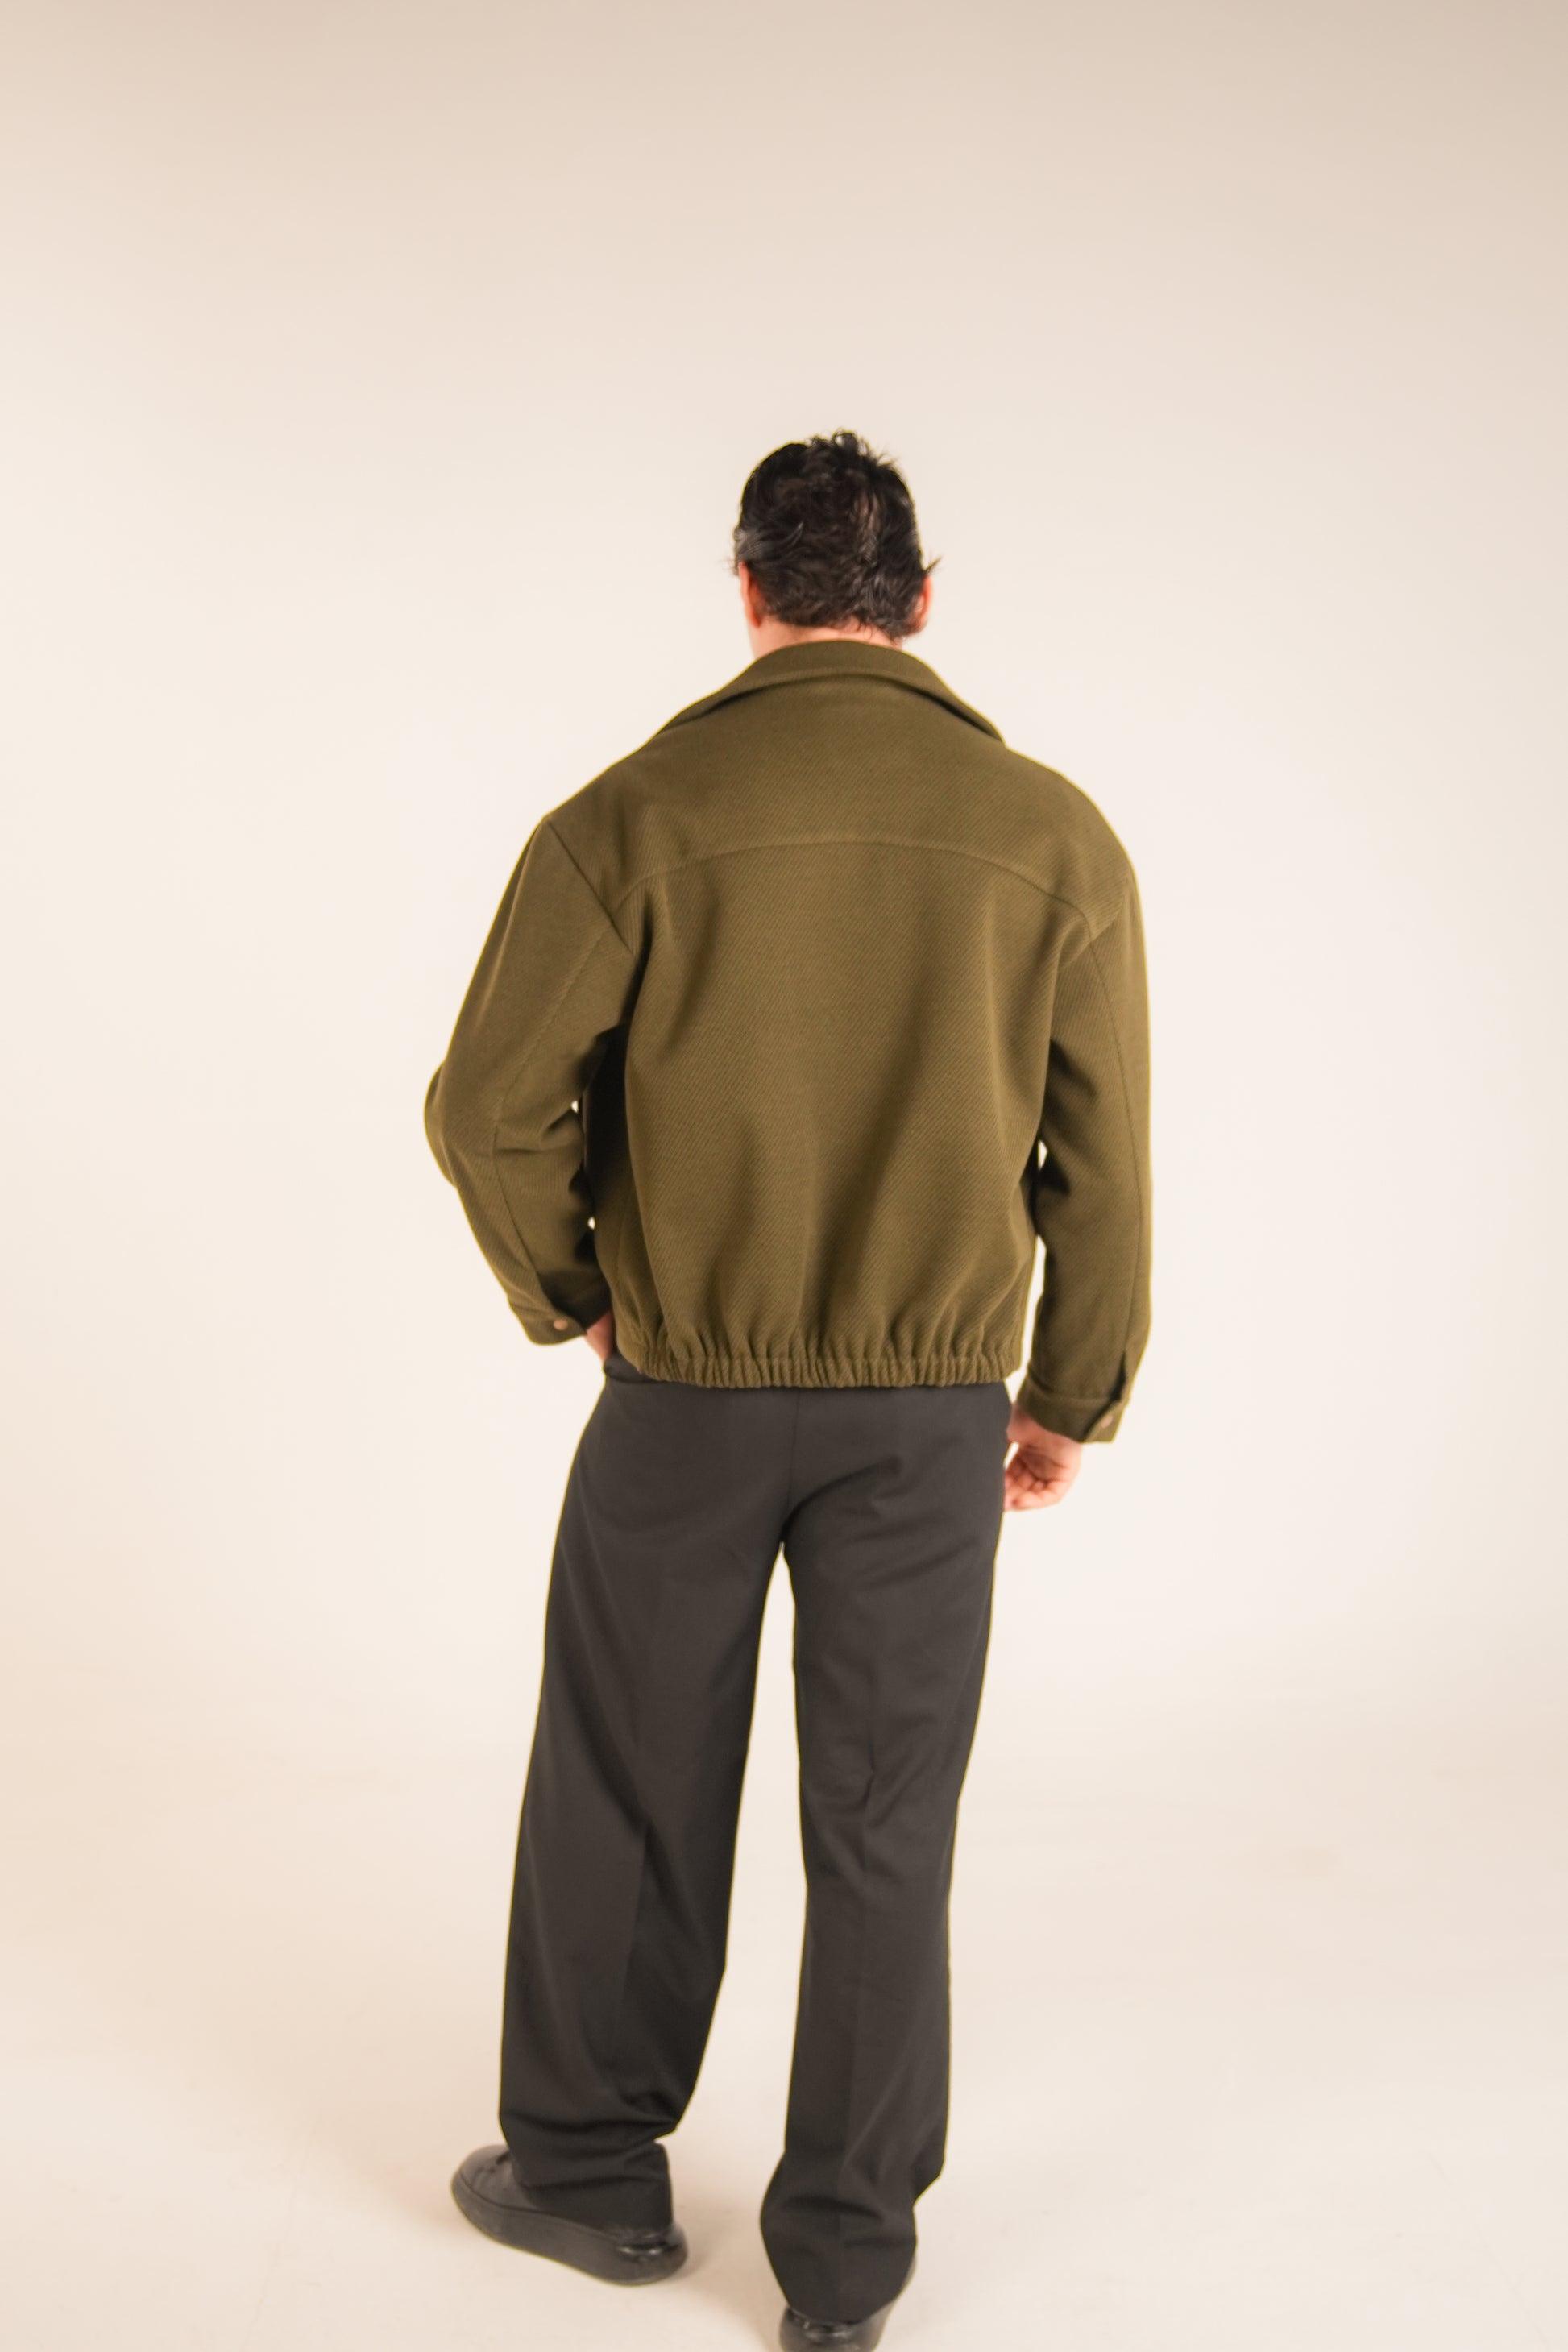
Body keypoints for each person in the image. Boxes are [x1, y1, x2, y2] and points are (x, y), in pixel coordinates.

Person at [423, 430, 1152, 2350]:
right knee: (887, 1813)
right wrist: (1066, 1392)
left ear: (746, 589)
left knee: (628, 1776)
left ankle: (588, 2174)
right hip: (932, 1411)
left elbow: (483, 1107)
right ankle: (840, 2268)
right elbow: (1102, 1165)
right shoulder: (1051, 835)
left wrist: (582, 1293)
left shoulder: (630, 817)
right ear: (922, 600)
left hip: (683, 1389)